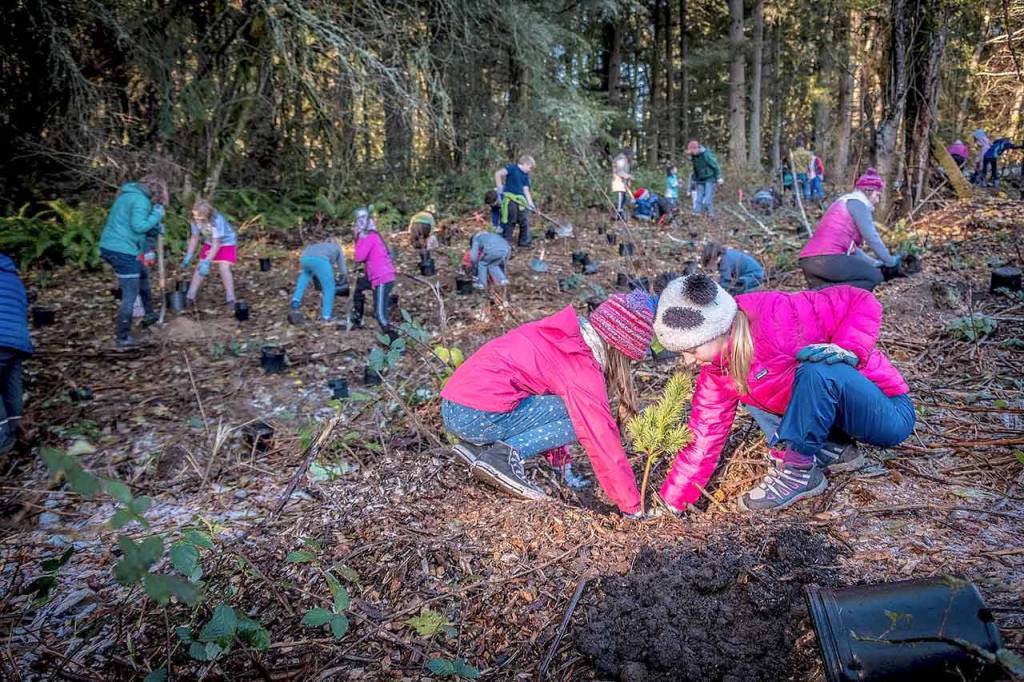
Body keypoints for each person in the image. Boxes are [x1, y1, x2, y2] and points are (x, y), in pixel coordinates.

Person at [653, 273, 914, 513]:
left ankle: (796, 472)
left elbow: (859, 300)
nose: (688, 362)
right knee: (753, 387)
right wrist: (671, 504)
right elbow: (703, 438)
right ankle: (834, 449)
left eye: (692, 349)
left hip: (886, 411)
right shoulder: (717, 372)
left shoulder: (778, 315)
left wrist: (849, 349)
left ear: (717, 330)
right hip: (836, 416)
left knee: (816, 369)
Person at [440, 290, 655, 515]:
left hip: (455, 406)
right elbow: (600, 437)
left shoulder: (560, 336)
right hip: (479, 416)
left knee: (566, 409)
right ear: (617, 349)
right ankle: (502, 457)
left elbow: (546, 409)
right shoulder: (580, 368)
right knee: (580, 420)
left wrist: (562, 468)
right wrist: (632, 507)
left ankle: (479, 448)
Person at [798, 168, 899, 291]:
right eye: (877, 195)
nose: (877, 200)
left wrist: (875, 263)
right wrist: (890, 261)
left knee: (825, 304)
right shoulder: (858, 204)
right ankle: (824, 290)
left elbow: (852, 250)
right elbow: (871, 237)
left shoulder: (844, 201)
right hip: (828, 259)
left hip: (809, 261)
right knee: (875, 278)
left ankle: (821, 292)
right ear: (868, 191)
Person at [98, 174, 167, 347]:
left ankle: (150, 314)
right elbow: (139, 226)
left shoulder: (127, 195)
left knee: (143, 274)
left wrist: (154, 228)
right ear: (154, 190)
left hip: (114, 246)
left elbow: (133, 226)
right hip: (122, 250)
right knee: (130, 294)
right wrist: (156, 216)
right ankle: (123, 338)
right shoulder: (140, 201)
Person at [0, 254, 32, 455]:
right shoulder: (13, 278)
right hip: (17, 340)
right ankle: (18, 432)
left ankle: (3, 447)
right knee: (9, 386)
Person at [182, 199, 238, 311]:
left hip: (226, 242)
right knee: (199, 267)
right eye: (196, 217)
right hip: (210, 241)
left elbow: (217, 244)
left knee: (223, 268)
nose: (198, 221)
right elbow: (194, 238)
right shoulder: (194, 220)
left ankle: (231, 298)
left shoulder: (216, 220)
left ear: (208, 216)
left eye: (201, 219)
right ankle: (190, 296)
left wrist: (207, 261)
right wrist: (188, 255)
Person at [351, 207, 397, 338]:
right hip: (376, 276)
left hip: (382, 278)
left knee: (380, 315)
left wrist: (358, 237)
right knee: (359, 286)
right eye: (358, 219)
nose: (360, 222)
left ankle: (397, 344)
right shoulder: (372, 235)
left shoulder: (369, 236)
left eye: (362, 219)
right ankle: (357, 319)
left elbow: (359, 257)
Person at [289, 239, 347, 323]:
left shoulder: (321, 245)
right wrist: (344, 277)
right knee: (329, 288)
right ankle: (326, 316)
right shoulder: (337, 247)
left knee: (305, 276)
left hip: (304, 258)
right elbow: (342, 268)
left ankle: (295, 301)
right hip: (320, 260)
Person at [495, 155, 536, 247]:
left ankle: (523, 242)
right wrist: (499, 188)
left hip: (521, 201)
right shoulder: (512, 168)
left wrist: (530, 203)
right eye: (530, 167)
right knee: (511, 221)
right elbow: (498, 174)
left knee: (524, 221)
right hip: (510, 199)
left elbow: (526, 190)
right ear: (526, 164)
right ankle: (506, 245)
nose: (530, 170)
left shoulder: (525, 176)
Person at [687, 140, 722, 217]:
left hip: (710, 178)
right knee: (698, 197)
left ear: (696, 148)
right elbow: (695, 168)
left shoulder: (706, 154)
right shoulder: (693, 156)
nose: (691, 153)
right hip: (700, 179)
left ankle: (711, 214)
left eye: (692, 151)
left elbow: (715, 165)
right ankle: (696, 213)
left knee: (708, 198)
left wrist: (719, 177)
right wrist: (695, 178)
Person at [611, 150, 633, 221]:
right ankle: (617, 216)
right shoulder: (621, 160)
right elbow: (619, 171)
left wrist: (628, 181)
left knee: (623, 200)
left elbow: (626, 171)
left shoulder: (626, 161)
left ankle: (620, 215)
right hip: (618, 183)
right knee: (619, 200)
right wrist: (628, 176)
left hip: (623, 184)